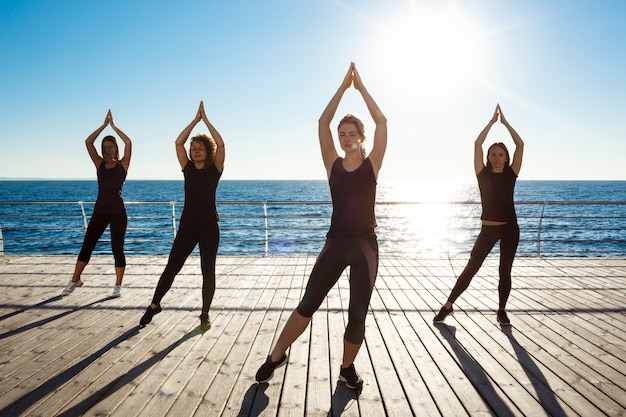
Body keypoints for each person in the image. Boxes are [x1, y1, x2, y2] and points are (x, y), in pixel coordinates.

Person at [254, 62, 387, 390]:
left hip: (365, 248)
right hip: (335, 244)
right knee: (308, 302)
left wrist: (361, 88)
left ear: (361, 137)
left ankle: (346, 368)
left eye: (351, 134)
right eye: (342, 135)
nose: (345, 138)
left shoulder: (372, 165)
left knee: (357, 315)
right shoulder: (333, 164)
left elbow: (382, 121)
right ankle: (275, 357)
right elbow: (322, 122)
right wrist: (342, 88)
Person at [433, 104, 524, 326]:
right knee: (471, 268)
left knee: (505, 270)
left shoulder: (512, 173)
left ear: (506, 157)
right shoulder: (481, 173)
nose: (496, 157)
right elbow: (477, 144)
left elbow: (520, 144)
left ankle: (501, 310)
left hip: (510, 228)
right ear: (488, 156)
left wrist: (506, 124)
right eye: (493, 154)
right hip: (488, 229)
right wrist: (491, 123)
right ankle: (448, 305)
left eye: (500, 155)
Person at [139, 101, 225, 330]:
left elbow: (222, 143)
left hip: (209, 227)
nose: (195, 150)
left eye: (200, 147)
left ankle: (205, 311)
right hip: (187, 226)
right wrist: (195, 121)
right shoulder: (187, 168)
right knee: (172, 266)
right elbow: (178, 142)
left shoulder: (214, 170)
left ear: (208, 151)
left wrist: (206, 121)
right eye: (193, 147)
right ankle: (155, 304)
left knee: (208, 270)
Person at [61, 110, 132, 298]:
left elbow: (129, 143)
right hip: (100, 211)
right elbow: (88, 142)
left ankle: (118, 286)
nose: (109, 150)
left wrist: (114, 127)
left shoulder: (123, 164)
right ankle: (75, 279)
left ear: (116, 148)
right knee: (87, 245)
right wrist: (103, 126)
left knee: (117, 248)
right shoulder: (99, 163)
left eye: (112, 146)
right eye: (106, 147)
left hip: (118, 212)